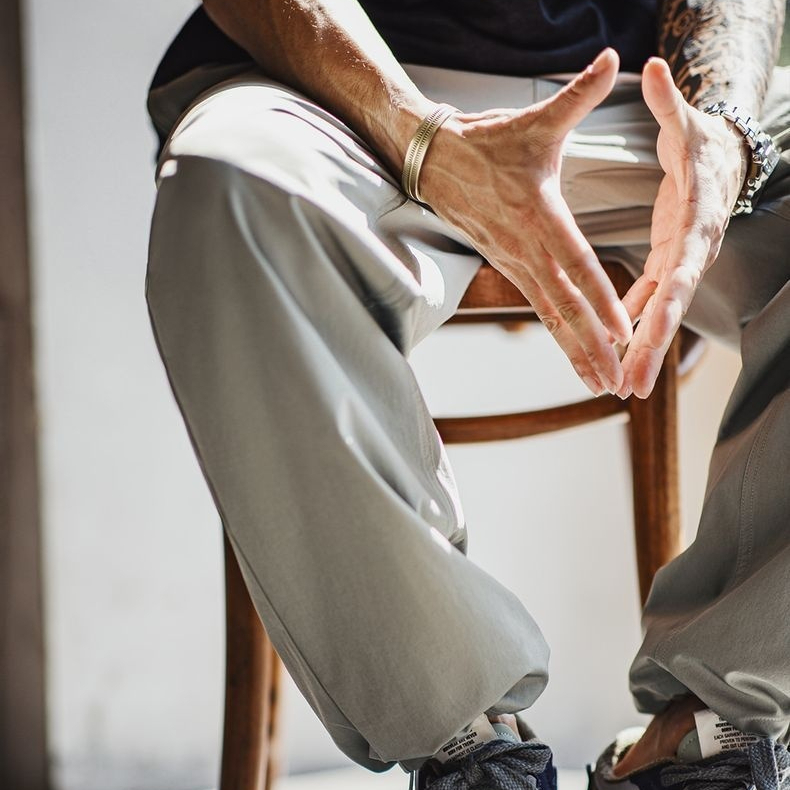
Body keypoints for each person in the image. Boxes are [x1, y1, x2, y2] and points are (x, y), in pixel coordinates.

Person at [145, 1, 790, 788]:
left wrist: (722, 130)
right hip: (340, 95)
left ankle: (708, 740)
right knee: (227, 183)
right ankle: (474, 750)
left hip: (634, 110)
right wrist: (422, 137)